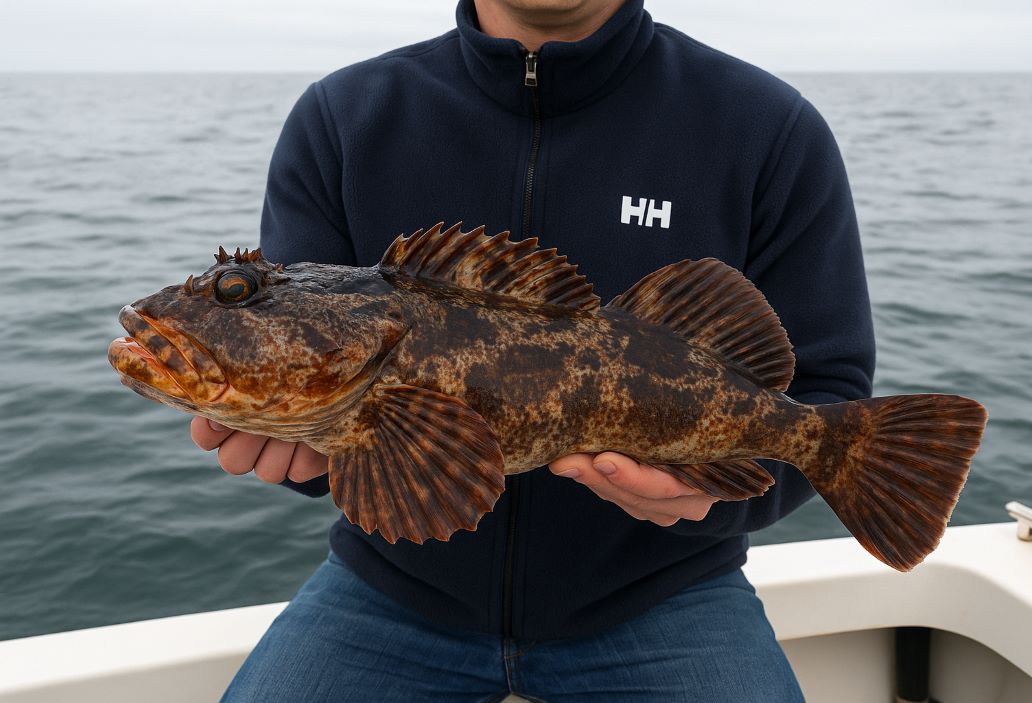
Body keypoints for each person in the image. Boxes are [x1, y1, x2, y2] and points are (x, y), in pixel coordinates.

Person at [192, 0, 876, 700]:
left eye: (234, 293)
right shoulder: (341, 118)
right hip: (390, 591)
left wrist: (706, 499)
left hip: (666, 591)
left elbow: (831, 388)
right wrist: (300, 449)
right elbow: (326, 397)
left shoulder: (768, 129)